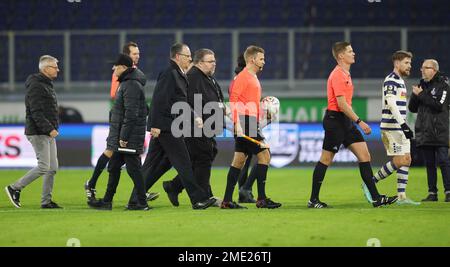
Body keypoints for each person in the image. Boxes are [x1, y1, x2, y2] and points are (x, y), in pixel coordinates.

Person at [307, 42, 398, 208]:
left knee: (365, 156)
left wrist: (352, 121)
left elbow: (346, 104)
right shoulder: (338, 75)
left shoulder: (346, 74)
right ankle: (313, 200)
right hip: (335, 121)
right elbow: (341, 104)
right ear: (341, 56)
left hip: (345, 121)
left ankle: (376, 198)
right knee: (326, 159)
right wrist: (359, 121)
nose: (353, 53)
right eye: (350, 51)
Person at [130, 43, 216, 210]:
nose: (190, 59)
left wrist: (192, 116)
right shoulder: (170, 73)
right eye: (187, 56)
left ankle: (135, 200)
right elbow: (158, 100)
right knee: (184, 162)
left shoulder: (177, 74)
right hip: (166, 127)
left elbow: (179, 102)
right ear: (178, 57)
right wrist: (154, 125)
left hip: (169, 126)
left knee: (152, 167)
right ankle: (198, 200)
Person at [84, 41, 159, 203]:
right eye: (134, 54)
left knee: (120, 162)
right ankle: (96, 186)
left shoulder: (132, 77)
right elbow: (117, 98)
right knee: (117, 159)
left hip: (125, 125)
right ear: (127, 56)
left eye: (138, 54)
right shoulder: (125, 76)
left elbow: (132, 103)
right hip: (121, 123)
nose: (137, 56)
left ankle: (110, 195)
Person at [161, 48, 226, 207]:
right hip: (195, 127)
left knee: (200, 160)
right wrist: (196, 119)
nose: (214, 64)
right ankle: (203, 196)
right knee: (203, 158)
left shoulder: (206, 78)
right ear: (199, 62)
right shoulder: (193, 78)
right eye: (210, 61)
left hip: (206, 126)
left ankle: (174, 186)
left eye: (214, 61)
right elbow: (187, 103)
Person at [222, 45, 281, 209]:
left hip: (249, 120)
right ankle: (261, 199)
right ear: (252, 59)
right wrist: (237, 124)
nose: (264, 61)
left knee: (239, 161)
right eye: (261, 58)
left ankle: (227, 200)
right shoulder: (243, 77)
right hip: (245, 122)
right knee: (265, 155)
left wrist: (262, 114)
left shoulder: (252, 77)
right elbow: (233, 101)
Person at [362, 51, 420, 205]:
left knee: (407, 159)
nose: (410, 66)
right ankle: (370, 183)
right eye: (406, 63)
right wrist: (403, 124)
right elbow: (391, 103)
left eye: (410, 63)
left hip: (400, 127)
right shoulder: (390, 80)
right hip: (391, 127)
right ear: (397, 63)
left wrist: (404, 125)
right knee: (400, 160)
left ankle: (401, 196)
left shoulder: (400, 81)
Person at [5, 55, 62, 209]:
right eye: (55, 66)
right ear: (45, 68)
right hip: (39, 132)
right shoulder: (37, 85)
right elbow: (36, 111)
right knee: (44, 166)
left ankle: (46, 201)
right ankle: (14, 187)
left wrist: (52, 127)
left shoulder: (46, 83)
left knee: (52, 168)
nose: (58, 69)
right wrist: (49, 128)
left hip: (47, 131)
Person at [408, 59, 450, 202]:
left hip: (439, 131)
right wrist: (415, 94)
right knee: (430, 164)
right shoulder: (422, 86)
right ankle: (432, 193)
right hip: (424, 131)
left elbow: (438, 105)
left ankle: (448, 191)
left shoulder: (444, 86)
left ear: (434, 70)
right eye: (422, 68)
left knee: (444, 161)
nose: (422, 70)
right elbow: (412, 108)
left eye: (426, 67)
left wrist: (421, 95)